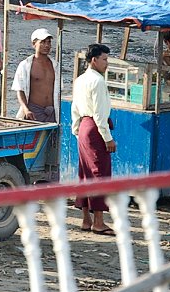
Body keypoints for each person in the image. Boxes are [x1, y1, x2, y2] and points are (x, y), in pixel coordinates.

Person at [71, 43, 116, 235]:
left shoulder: (80, 80)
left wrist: (76, 130)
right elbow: (99, 114)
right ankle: (98, 221)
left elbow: (74, 108)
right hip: (94, 128)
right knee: (99, 172)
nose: (107, 63)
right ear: (94, 60)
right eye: (104, 59)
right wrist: (108, 138)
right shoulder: (98, 81)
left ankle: (86, 220)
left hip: (83, 127)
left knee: (85, 172)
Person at [12, 28, 60, 122]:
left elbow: (59, 92)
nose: (46, 45)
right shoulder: (25, 65)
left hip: (52, 111)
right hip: (34, 111)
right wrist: (26, 109)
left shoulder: (55, 66)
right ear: (34, 44)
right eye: (42, 42)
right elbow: (20, 90)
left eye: (49, 42)